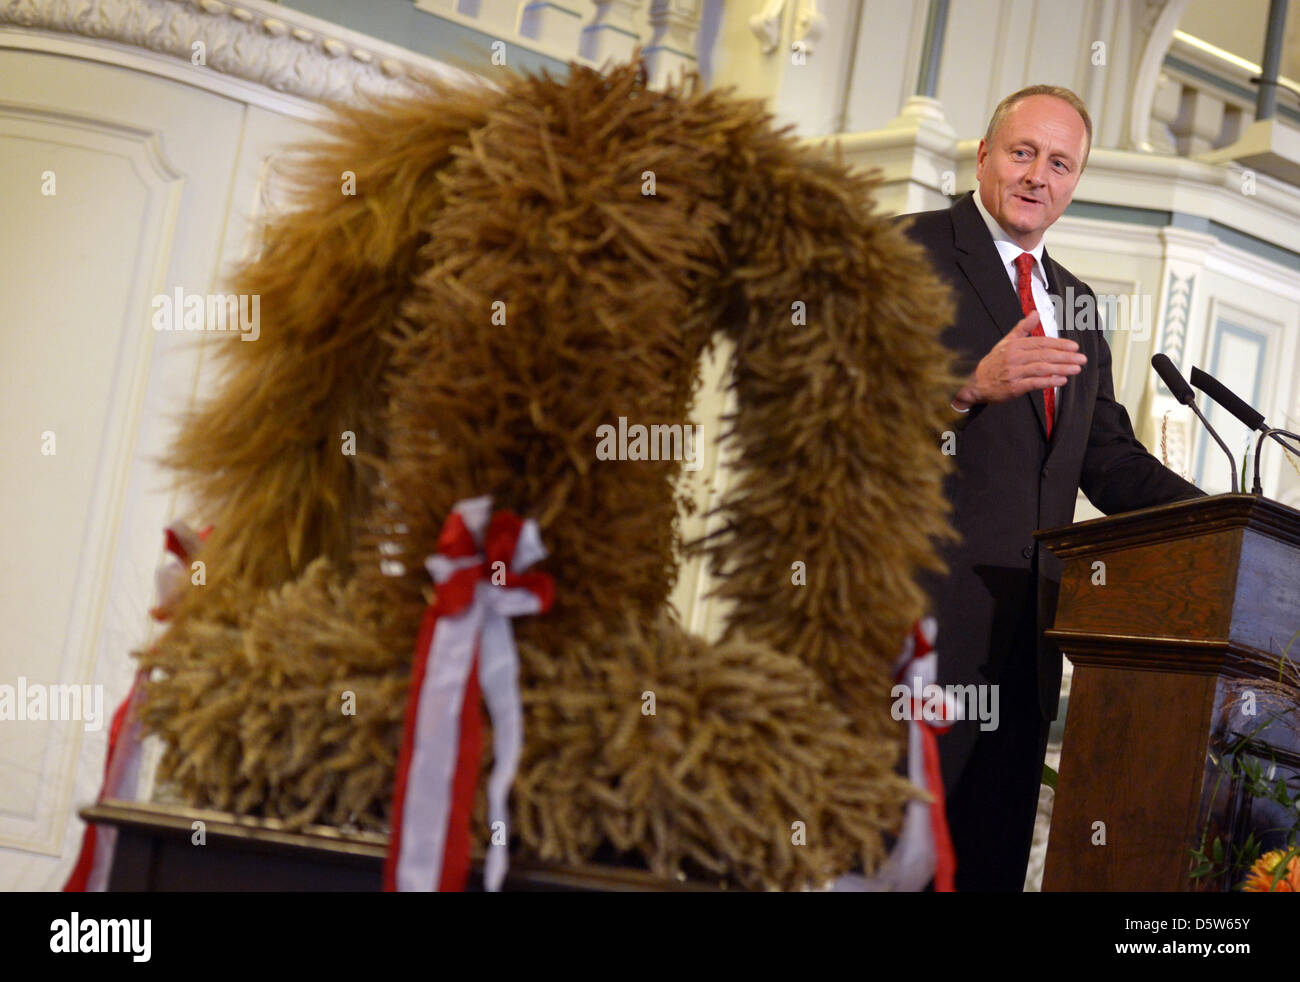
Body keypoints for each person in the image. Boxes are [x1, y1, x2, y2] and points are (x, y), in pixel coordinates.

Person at [897, 84, 1204, 891]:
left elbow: (1109, 462)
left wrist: (1222, 519)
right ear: (984, 156)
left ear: (1075, 182)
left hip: (1027, 640)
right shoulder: (906, 252)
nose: (1038, 176)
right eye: (1023, 153)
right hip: (915, 632)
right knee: (890, 856)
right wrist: (964, 390)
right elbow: (834, 416)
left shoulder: (1075, 302)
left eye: (1060, 163)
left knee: (988, 867)